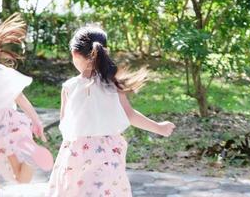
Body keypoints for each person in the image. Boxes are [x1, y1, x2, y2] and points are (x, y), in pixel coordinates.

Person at [47, 25, 176, 197]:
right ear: (104, 52)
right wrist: (158, 127)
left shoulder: (69, 87)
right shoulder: (112, 84)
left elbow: (64, 124)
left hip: (76, 153)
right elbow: (130, 115)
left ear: (75, 54)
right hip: (108, 153)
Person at [0, 13, 53, 197]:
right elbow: (20, 97)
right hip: (9, 122)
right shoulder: (0, 70)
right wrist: (36, 121)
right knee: (19, 174)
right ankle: (26, 164)